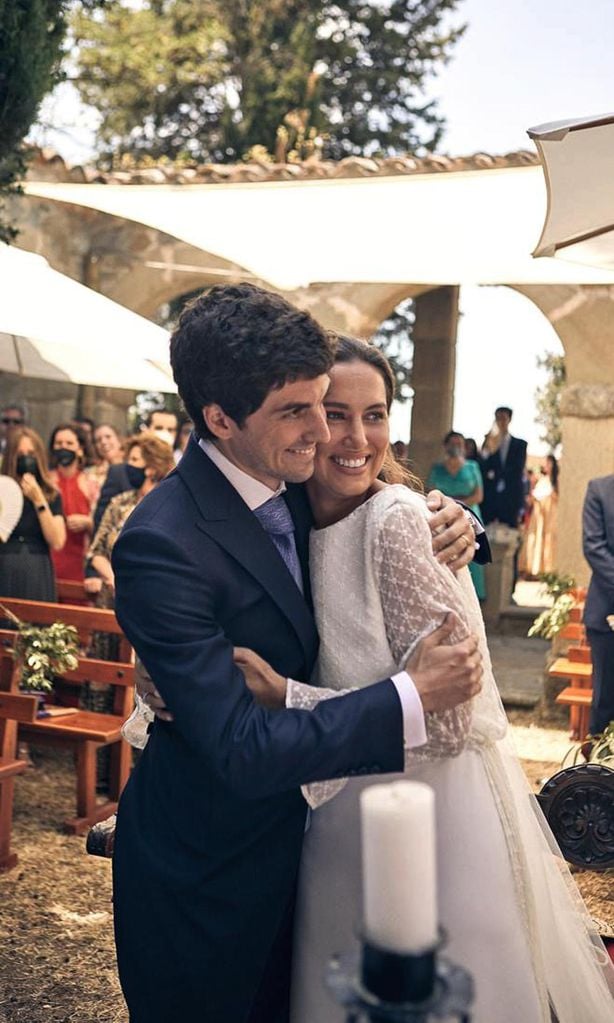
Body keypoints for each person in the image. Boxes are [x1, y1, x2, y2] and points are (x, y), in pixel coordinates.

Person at [110, 283, 486, 1023]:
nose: (323, 432)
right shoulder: (162, 543)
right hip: (208, 883)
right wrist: (409, 695)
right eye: (296, 410)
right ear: (220, 418)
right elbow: (240, 749)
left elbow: (372, 510)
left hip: (314, 861)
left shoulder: (289, 479)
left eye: (324, 403)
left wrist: (456, 517)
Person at [236, 338, 613, 1023]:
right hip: (342, 811)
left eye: (375, 415)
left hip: (430, 816)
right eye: (335, 414)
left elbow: (450, 719)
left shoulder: (402, 523)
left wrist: (287, 699)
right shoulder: (297, 515)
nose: (357, 438)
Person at [0, 427, 65, 600]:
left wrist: (38, 500)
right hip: (4, 563)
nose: (26, 458)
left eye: (31, 453)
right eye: (20, 454)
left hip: (37, 568)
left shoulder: (52, 494)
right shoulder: (2, 490)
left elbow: (57, 541)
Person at [427, 430, 485, 599]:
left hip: (469, 515)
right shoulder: (437, 468)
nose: (456, 447)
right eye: (452, 443)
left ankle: (473, 599)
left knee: (471, 556)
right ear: (445, 446)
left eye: (459, 443)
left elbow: (479, 495)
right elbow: (430, 491)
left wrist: (458, 505)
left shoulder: (472, 467)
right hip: (443, 516)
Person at [582, 473, 614, 735]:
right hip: (607, 611)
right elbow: (594, 546)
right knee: (605, 700)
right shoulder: (600, 490)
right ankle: (601, 757)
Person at [48, 423, 95, 584]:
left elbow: (106, 525)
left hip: (81, 565)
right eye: (59, 443)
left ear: (80, 448)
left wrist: (88, 522)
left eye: (69, 443)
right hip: (49, 562)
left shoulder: (92, 483)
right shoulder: (45, 481)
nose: (63, 447)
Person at [480, 406, 527, 527]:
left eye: (503, 418)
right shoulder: (489, 441)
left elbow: (518, 469)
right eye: (498, 418)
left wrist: (495, 474)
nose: (501, 421)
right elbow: (483, 466)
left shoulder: (520, 445)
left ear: (509, 420)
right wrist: (488, 446)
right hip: (490, 499)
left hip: (511, 498)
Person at [519, 455, 558, 578]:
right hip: (539, 516)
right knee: (535, 539)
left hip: (550, 516)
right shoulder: (543, 481)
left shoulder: (556, 481)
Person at [84, 422, 125, 506]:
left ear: (119, 440)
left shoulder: (132, 468)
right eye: (98, 440)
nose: (103, 442)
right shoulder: (89, 474)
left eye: (108, 437)